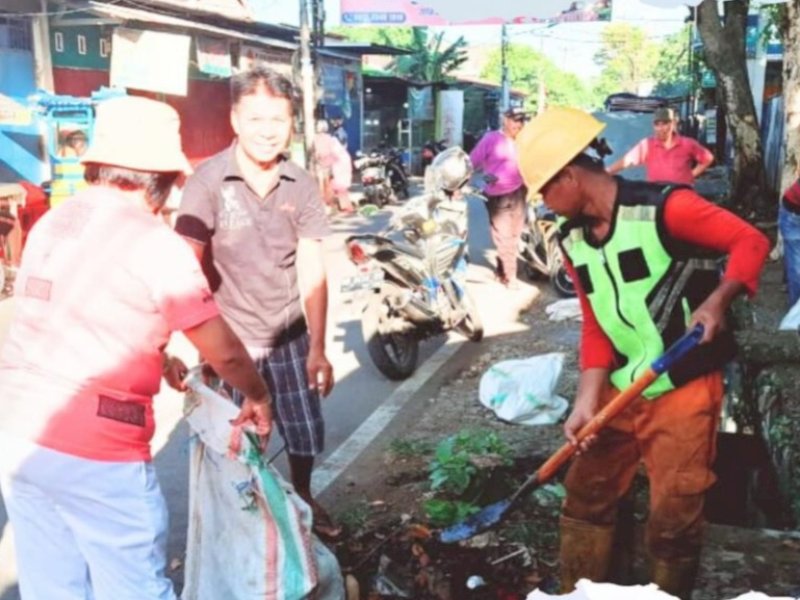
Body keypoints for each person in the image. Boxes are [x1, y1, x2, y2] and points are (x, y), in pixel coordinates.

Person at [0, 96, 272, 600]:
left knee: (52, 585)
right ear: (163, 180)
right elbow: (226, 353)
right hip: (97, 453)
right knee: (133, 588)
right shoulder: (155, 243)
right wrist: (257, 395)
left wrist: (156, 356)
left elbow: (71, 314)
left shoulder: (53, 223)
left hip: (17, 434)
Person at [515, 107, 770, 599]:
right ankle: (580, 590)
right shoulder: (572, 239)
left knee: (675, 513)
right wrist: (586, 400)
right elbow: (596, 324)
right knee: (586, 493)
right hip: (621, 386)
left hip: (683, 384)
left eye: (545, 190)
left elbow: (749, 241)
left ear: (569, 175)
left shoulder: (666, 208)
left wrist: (719, 300)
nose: (545, 203)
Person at [175, 65, 340, 539]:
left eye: (279, 120)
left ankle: (304, 496)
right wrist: (201, 347)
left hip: (289, 334)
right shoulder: (206, 182)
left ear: (292, 122)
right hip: (230, 339)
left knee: (305, 431)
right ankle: (242, 520)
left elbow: (312, 268)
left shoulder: (301, 183)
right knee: (233, 440)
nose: (268, 131)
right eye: (256, 119)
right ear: (234, 120)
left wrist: (318, 346)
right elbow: (186, 267)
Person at [469, 106, 529, 289]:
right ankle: (511, 277)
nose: (517, 124)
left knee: (514, 235)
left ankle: (503, 268)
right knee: (504, 236)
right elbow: (472, 161)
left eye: (521, 120)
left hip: (519, 192)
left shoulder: (524, 140)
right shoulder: (492, 139)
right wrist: (458, 183)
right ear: (505, 119)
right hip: (497, 195)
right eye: (514, 120)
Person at [606, 107, 714, 186]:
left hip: (682, 195)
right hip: (656, 196)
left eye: (664, 124)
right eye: (657, 124)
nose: (660, 128)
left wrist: (691, 175)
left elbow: (708, 158)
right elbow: (627, 161)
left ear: (673, 124)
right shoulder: (647, 145)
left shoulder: (688, 144)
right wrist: (606, 172)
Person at [314, 120, 354, 214]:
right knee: (335, 187)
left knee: (330, 186)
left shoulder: (320, 139)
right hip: (332, 165)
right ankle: (336, 205)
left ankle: (330, 205)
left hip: (328, 165)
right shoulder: (331, 139)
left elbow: (318, 153)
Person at [779, 171, 800, 306]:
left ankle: (786, 282)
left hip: (792, 209)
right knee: (797, 270)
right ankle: (796, 313)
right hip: (793, 216)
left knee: (793, 258)